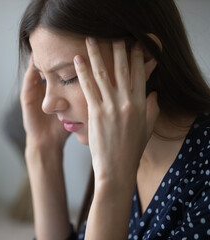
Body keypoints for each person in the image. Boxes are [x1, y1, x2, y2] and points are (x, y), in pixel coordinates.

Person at [18, 0, 210, 239]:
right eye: (44, 78)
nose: (47, 104)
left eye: (68, 77)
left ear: (144, 56)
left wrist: (113, 183)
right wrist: (43, 151)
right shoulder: (118, 146)